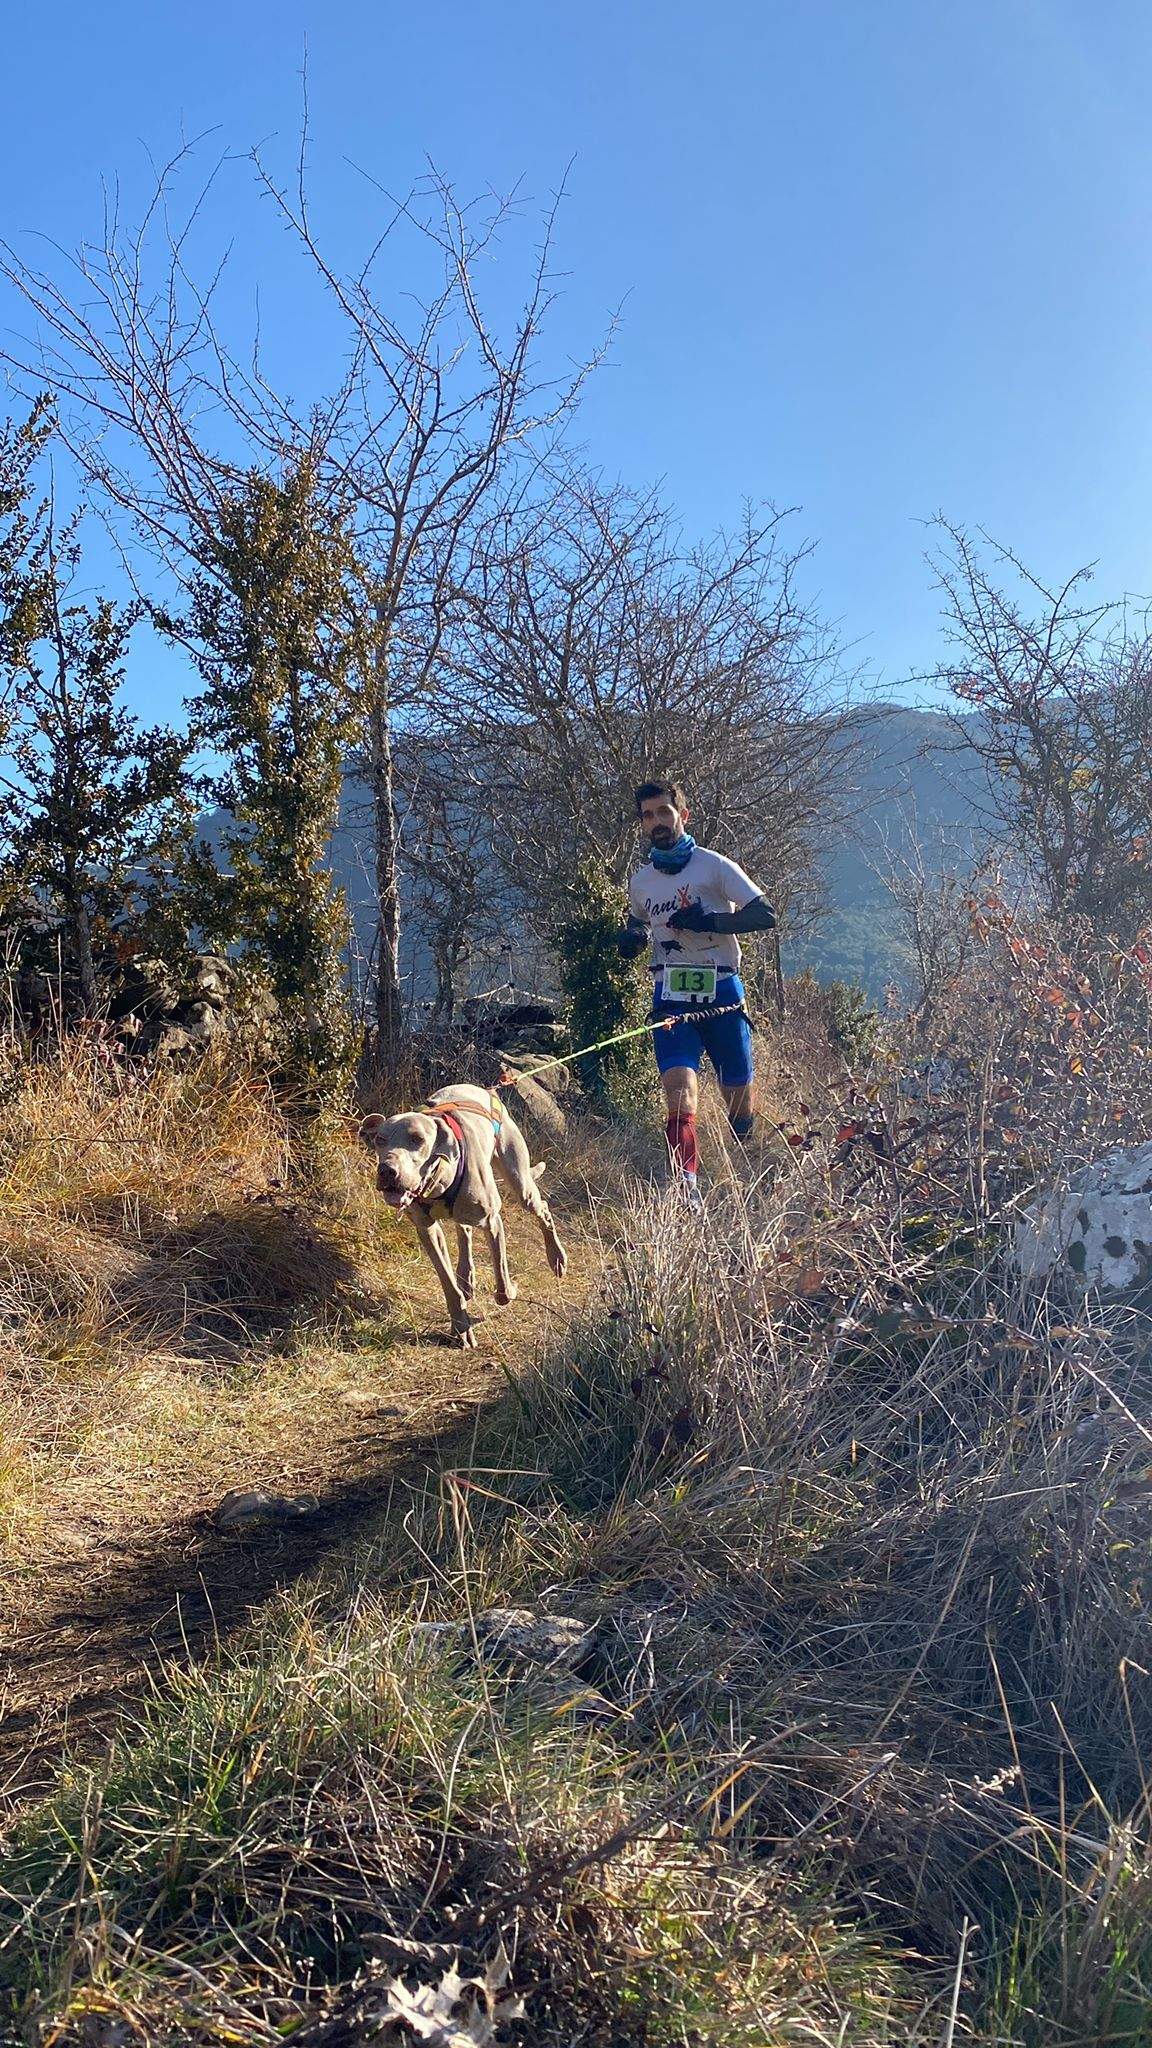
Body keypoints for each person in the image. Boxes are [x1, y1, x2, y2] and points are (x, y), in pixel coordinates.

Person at [618, 778, 776, 1209]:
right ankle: (685, 1187)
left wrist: (712, 922)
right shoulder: (641, 882)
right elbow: (638, 921)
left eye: (664, 812)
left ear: (683, 815)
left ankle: (747, 1160)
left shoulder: (713, 866)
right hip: (670, 993)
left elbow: (766, 914)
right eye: (648, 815)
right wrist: (631, 938)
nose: (657, 822)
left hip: (722, 987)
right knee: (679, 1088)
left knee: (738, 1093)